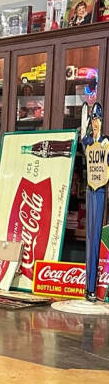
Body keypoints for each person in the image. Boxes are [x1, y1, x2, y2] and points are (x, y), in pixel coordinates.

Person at [80, 103, 108, 301]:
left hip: (100, 191)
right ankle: (88, 287)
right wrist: (83, 121)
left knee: (96, 236)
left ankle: (91, 287)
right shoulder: (89, 141)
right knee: (90, 237)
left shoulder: (106, 142)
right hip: (91, 189)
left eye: (98, 119)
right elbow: (82, 138)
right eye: (93, 119)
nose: (95, 122)